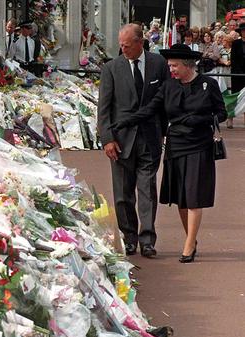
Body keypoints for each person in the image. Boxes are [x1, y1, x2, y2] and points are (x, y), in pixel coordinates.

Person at [115, 44, 227, 263]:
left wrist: (202, 119)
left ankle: (188, 246)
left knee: (194, 197)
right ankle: (191, 238)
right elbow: (150, 110)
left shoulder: (208, 84)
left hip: (199, 145)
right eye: (169, 65)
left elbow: (221, 113)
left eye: (174, 65)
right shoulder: (168, 86)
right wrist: (125, 122)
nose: (171, 69)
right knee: (182, 198)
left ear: (187, 66)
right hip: (176, 145)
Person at [97, 24, 170, 258]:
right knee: (122, 194)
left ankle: (147, 239)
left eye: (127, 45)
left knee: (147, 189)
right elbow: (104, 109)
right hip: (120, 141)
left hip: (150, 138)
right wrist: (107, 139)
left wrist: (164, 131)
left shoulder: (159, 64)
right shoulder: (111, 69)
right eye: (121, 45)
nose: (123, 49)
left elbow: (165, 101)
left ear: (140, 43)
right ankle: (129, 237)